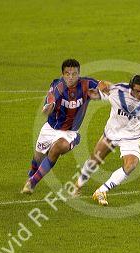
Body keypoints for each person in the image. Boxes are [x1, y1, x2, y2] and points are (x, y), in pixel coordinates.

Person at [74, 74, 140, 206]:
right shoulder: (118, 90)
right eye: (137, 91)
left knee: (131, 165)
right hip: (111, 133)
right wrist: (98, 86)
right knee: (94, 161)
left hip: (132, 138)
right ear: (131, 88)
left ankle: (101, 191)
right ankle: (78, 185)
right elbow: (102, 85)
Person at [21, 59, 109, 194]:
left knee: (57, 149)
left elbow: (102, 84)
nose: (71, 77)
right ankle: (32, 175)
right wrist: (48, 108)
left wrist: (106, 88)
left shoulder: (86, 84)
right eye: (67, 73)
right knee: (37, 160)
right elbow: (49, 103)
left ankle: (32, 183)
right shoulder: (57, 86)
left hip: (70, 133)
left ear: (79, 74)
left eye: (74, 74)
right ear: (63, 74)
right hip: (50, 129)